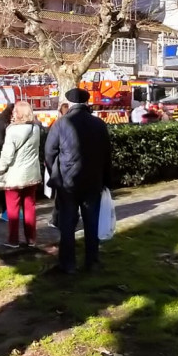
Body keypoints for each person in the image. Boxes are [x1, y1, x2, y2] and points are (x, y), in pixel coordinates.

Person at [44, 88, 113, 274]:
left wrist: (55, 175)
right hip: (93, 182)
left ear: (69, 103)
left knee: (67, 223)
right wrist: (105, 179)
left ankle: (68, 264)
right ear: (86, 102)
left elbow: (49, 153)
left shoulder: (60, 124)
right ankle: (92, 261)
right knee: (92, 222)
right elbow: (107, 154)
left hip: (68, 183)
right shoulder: (99, 124)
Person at [0, 100, 42, 249]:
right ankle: (31, 239)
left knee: (13, 210)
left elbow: (7, 155)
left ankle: (13, 240)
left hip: (14, 176)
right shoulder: (36, 129)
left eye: (15, 111)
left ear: (19, 114)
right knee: (30, 208)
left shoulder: (12, 131)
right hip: (32, 175)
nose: (13, 114)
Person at [0, 104, 15, 220]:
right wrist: (8, 146)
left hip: (5, 154)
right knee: (4, 185)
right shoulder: (2, 123)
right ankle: (5, 211)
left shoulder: (4, 122)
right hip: (3, 155)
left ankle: (9, 210)